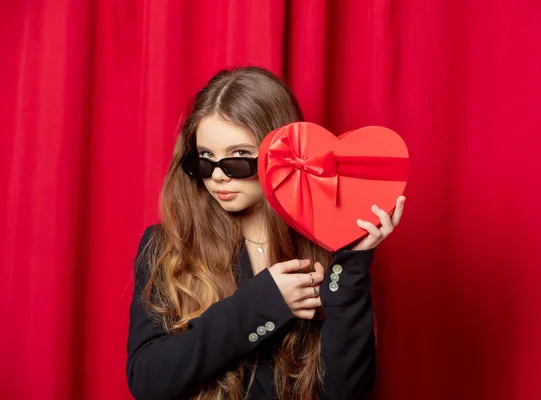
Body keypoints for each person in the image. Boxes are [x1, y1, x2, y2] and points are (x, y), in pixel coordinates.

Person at [126, 66, 406, 400]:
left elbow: (346, 390)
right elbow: (148, 380)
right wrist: (263, 302)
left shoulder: (325, 248)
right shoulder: (167, 246)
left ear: (284, 156)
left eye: (238, 158)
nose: (218, 176)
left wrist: (354, 260)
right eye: (204, 159)